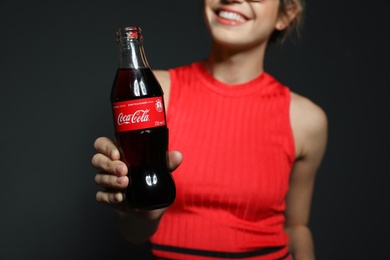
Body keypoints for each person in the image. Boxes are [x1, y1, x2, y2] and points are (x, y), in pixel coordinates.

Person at [91, 0, 328, 259]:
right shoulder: (153, 94)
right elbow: (135, 233)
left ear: (286, 15)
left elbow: (296, 227)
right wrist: (137, 209)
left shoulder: (307, 120)